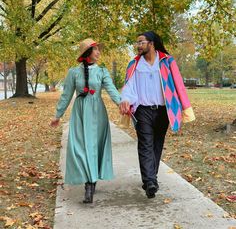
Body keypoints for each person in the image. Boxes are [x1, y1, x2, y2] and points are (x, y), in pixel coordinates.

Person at [120, 31, 195, 199]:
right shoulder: (134, 64)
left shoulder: (167, 62)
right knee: (145, 144)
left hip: (164, 110)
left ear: (151, 43)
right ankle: (151, 181)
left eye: (141, 42)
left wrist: (185, 107)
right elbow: (129, 85)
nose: (138, 46)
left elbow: (179, 84)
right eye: (137, 43)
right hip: (142, 110)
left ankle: (149, 179)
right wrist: (125, 99)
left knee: (157, 144)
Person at [50, 38, 121, 204]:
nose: (98, 52)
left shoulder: (102, 71)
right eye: (95, 49)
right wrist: (57, 115)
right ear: (87, 52)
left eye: (98, 49)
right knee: (80, 147)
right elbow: (66, 95)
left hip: (98, 114)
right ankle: (89, 182)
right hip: (80, 113)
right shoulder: (73, 72)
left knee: (94, 147)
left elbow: (112, 90)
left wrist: (122, 105)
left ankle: (90, 183)